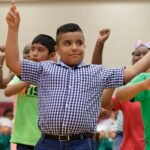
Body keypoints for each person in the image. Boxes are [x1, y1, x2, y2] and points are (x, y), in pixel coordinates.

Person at [5, 4, 150, 150]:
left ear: (84, 46)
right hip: (47, 142)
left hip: (81, 143)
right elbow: (13, 63)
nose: (75, 47)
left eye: (79, 43)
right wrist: (13, 29)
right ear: (57, 49)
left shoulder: (95, 72)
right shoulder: (44, 69)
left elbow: (131, 72)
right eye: (68, 43)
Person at [101, 41, 150, 150]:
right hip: (127, 140)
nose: (142, 57)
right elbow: (107, 104)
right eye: (137, 54)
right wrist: (114, 78)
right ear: (132, 58)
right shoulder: (127, 85)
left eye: (146, 55)